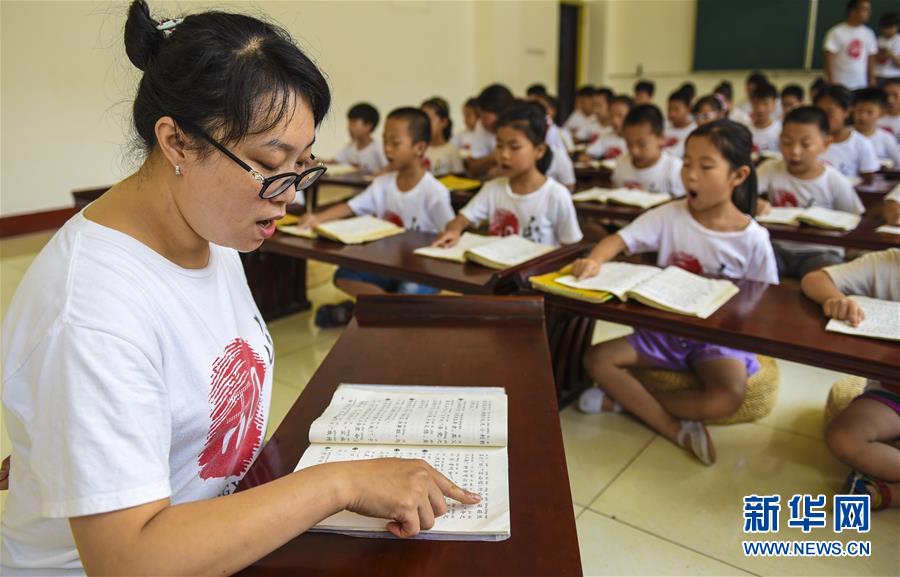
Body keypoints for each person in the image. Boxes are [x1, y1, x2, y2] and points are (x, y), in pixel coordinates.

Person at [0, 3, 480, 574]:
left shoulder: (211, 229)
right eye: (271, 164)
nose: (292, 195)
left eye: (304, 164)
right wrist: (341, 482)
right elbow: (131, 561)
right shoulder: (93, 310)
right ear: (177, 142)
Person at [572, 120, 778, 466]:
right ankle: (673, 428)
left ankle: (624, 402)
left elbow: (766, 299)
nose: (690, 175)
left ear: (738, 176)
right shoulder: (669, 215)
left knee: (727, 396)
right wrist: (594, 260)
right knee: (596, 359)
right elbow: (620, 239)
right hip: (664, 332)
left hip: (716, 338)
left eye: (705, 166)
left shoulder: (752, 238)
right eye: (686, 162)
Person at [298, 107, 455, 325]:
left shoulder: (434, 192)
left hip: (421, 270)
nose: (387, 149)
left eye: (395, 142)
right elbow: (351, 206)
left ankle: (371, 310)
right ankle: (390, 310)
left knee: (409, 289)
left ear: (419, 148)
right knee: (344, 276)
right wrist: (317, 218)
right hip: (385, 264)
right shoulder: (383, 184)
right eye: (384, 141)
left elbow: (450, 233)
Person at [801, 250, 900, 510]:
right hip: (893, 391)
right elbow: (813, 280)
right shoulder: (887, 263)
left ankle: (889, 494)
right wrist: (835, 299)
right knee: (843, 437)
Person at [434, 101, 583, 249]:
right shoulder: (493, 189)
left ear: (539, 151)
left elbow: (571, 247)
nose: (504, 155)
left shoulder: (555, 195)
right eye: (499, 146)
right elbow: (461, 220)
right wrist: (454, 230)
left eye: (514, 147)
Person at [756, 106, 864, 278]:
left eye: (805, 144)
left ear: (826, 144)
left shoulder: (835, 181)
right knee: (753, 263)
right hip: (776, 247)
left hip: (820, 252)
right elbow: (742, 196)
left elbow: (855, 221)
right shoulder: (769, 169)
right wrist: (754, 202)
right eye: (787, 142)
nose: (795, 151)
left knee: (824, 278)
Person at [613, 104, 685, 197]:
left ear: (661, 138)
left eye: (642, 144)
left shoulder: (674, 168)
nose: (634, 151)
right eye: (629, 144)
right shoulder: (621, 163)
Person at [815, 83, 880, 182]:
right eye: (820, 113)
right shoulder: (810, 142)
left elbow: (869, 182)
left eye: (830, 113)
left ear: (847, 111)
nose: (824, 119)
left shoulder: (861, 144)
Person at [824, 0, 878, 89]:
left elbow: (871, 60)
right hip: (840, 85)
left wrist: (872, 82)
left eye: (869, 10)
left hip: (861, 85)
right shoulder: (836, 32)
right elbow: (829, 60)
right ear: (852, 12)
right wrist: (831, 82)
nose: (869, 13)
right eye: (865, 10)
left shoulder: (869, 33)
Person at [333, 102, 388, 173]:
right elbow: (335, 162)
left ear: (368, 126)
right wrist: (317, 161)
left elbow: (389, 168)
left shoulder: (379, 147)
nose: (349, 127)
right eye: (349, 123)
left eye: (354, 123)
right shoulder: (351, 145)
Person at [852, 87, 900, 165]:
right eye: (859, 111)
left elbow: (898, 163)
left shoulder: (886, 138)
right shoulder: (845, 136)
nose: (863, 117)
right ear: (852, 111)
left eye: (869, 112)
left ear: (881, 113)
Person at [421, 97, 465, 176]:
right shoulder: (418, 149)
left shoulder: (451, 151)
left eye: (429, 120)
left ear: (444, 122)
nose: (425, 124)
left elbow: (459, 179)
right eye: (422, 120)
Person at [664, 88, 696, 158]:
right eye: (669, 109)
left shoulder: (694, 131)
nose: (672, 113)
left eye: (676, 109)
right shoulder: (663, 128)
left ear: (688, 109)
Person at [875, 12, 900, 85]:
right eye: (886, 28)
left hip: (894, 77)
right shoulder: (878, 40)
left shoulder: (898, 40)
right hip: (878, 75)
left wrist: (890, 55)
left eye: (892, 27)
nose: (889, 30)